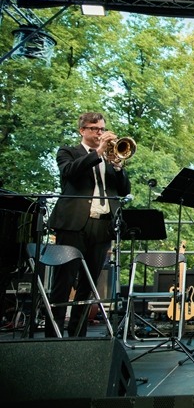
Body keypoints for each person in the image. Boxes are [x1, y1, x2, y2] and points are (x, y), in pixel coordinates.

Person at [46, 112, 131, 337]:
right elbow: (69, 173)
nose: (99, 133)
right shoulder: (68, 152)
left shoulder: (111, 157)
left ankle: (78, 335)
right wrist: (99, 152)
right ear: (82, 130)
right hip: (73, 225)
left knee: (89, 284)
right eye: (94, 129)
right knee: (63, 282)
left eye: (102, 129)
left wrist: (119, 166)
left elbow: (124, 190)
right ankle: (52, 336)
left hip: (102, 226)